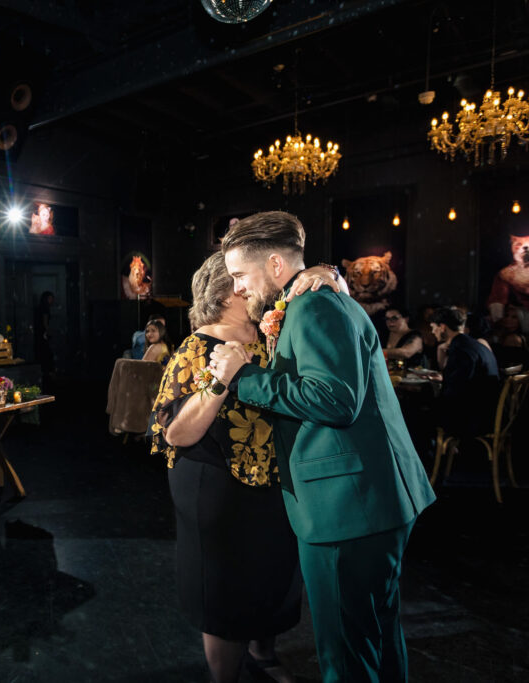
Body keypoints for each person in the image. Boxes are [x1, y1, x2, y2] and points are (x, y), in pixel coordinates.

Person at [211, 210, 436, 683]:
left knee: (346, 656)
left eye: (239, 275)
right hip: (373, 501)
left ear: (275, 265)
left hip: (347, 507)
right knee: (375, 633)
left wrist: (243, 377)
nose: (236, 288)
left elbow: (335, 400)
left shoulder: (314, 306)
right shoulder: (318, 297)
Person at [149, 253, 344, 683]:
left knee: (274, 574)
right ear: (226, 291)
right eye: (242, 279)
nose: (258, 288)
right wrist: (219, 382)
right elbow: (176, 434)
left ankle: (264, 654)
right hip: (217, 487)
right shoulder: (197, 346)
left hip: (275, 480)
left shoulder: (272, 330)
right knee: (227, 587)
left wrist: (325, 272)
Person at [429, 306, 500, 438]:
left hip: (475, 418)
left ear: (443, 327)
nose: (433, 332)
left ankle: (432, 457)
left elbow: (455, 392)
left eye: (433, 327)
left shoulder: (461, 349)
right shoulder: (473, 344)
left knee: (416, 413)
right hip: (486, 410)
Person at [34, 291, 55, 376]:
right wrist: (47, 330)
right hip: (42, 334)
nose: (52, 300)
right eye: (50, 298)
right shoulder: (44, 308)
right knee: (46, 353)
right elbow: (45, 322)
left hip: (40, 334)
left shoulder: (41, 308)